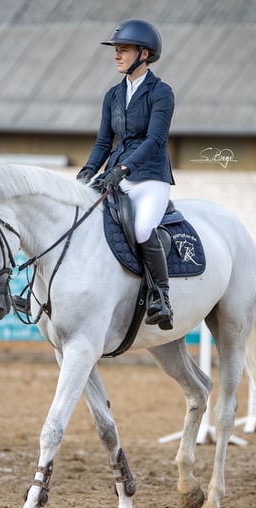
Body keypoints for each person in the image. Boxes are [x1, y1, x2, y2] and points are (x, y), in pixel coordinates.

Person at [76, 18, 176, 330]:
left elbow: (155, 140)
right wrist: (88, 171)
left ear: (144, 54)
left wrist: (123, 168)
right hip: (114, 175)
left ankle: (161, 296)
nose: (117, 55)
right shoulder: (113, 96)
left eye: (124, 50)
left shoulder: (161, 93)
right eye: (116, 50)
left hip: (149, 178)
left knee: (143, 229)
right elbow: (105, 141)